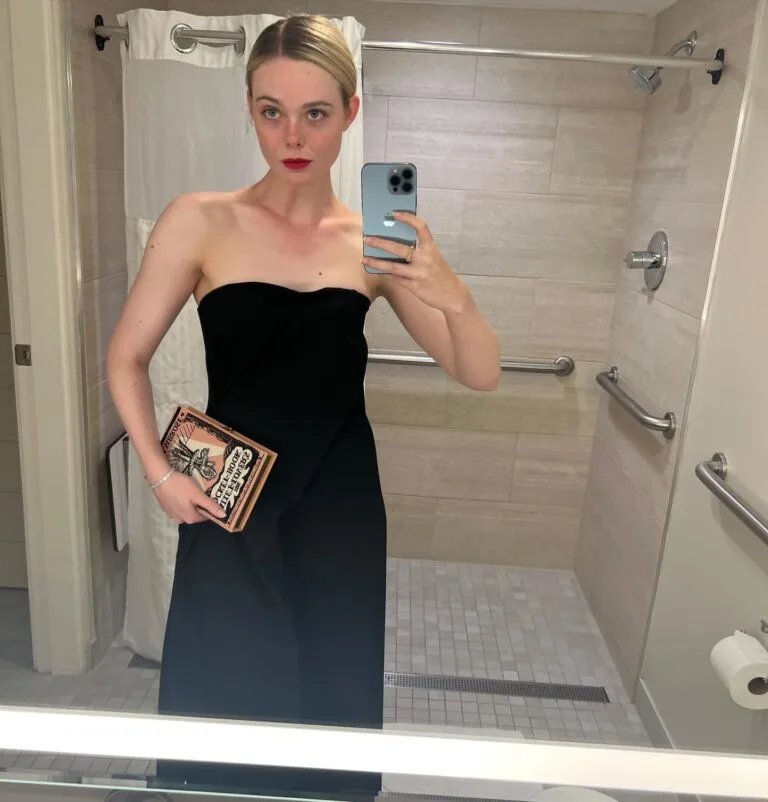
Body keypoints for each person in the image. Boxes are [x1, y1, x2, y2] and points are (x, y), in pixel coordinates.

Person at [106, 13, 500, 799]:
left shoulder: (374, 238)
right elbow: (125, 358)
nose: (292, 135)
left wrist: (449, 289)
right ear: (249, 109)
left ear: (350, 112)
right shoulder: (200, 219)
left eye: (316, 112)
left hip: (339, 499)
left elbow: (479, 371)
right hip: (228, 493)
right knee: (225, 673)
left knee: (330, 672)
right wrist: (158, 474)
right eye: (272, 111)